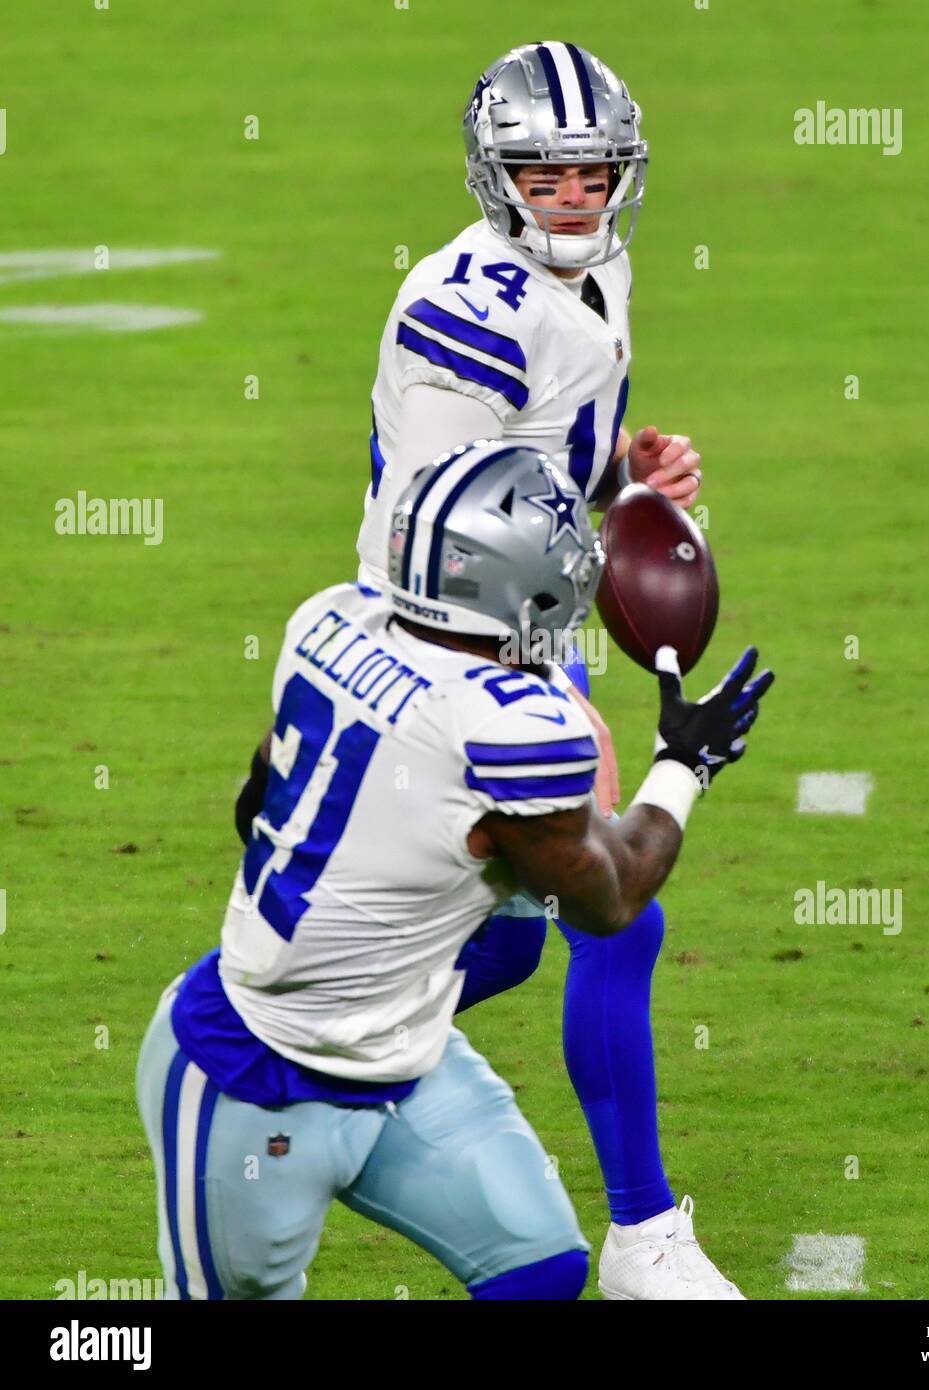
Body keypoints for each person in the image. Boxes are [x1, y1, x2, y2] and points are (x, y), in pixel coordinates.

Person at [135, 443, 773, 1300]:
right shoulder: (511, 727)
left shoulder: (328, 621)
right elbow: (610, 898)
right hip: (251, 1078)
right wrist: (683, 766)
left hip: (405, 1056)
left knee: (539, 1271)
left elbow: (253, 809)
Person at [354, 42, 742, 1297]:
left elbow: (547, 458)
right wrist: (551, 700)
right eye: (541, 171)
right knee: (611, 906)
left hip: (526, 613)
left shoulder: (596, 268)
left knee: (522, 939)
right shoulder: (462, 306)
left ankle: (291, 1029)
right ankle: (642, 1237)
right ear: (493, 174)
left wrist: (625, 473)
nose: (572, 194)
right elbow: (452, 531)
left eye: (592, 170)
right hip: (438, 633)